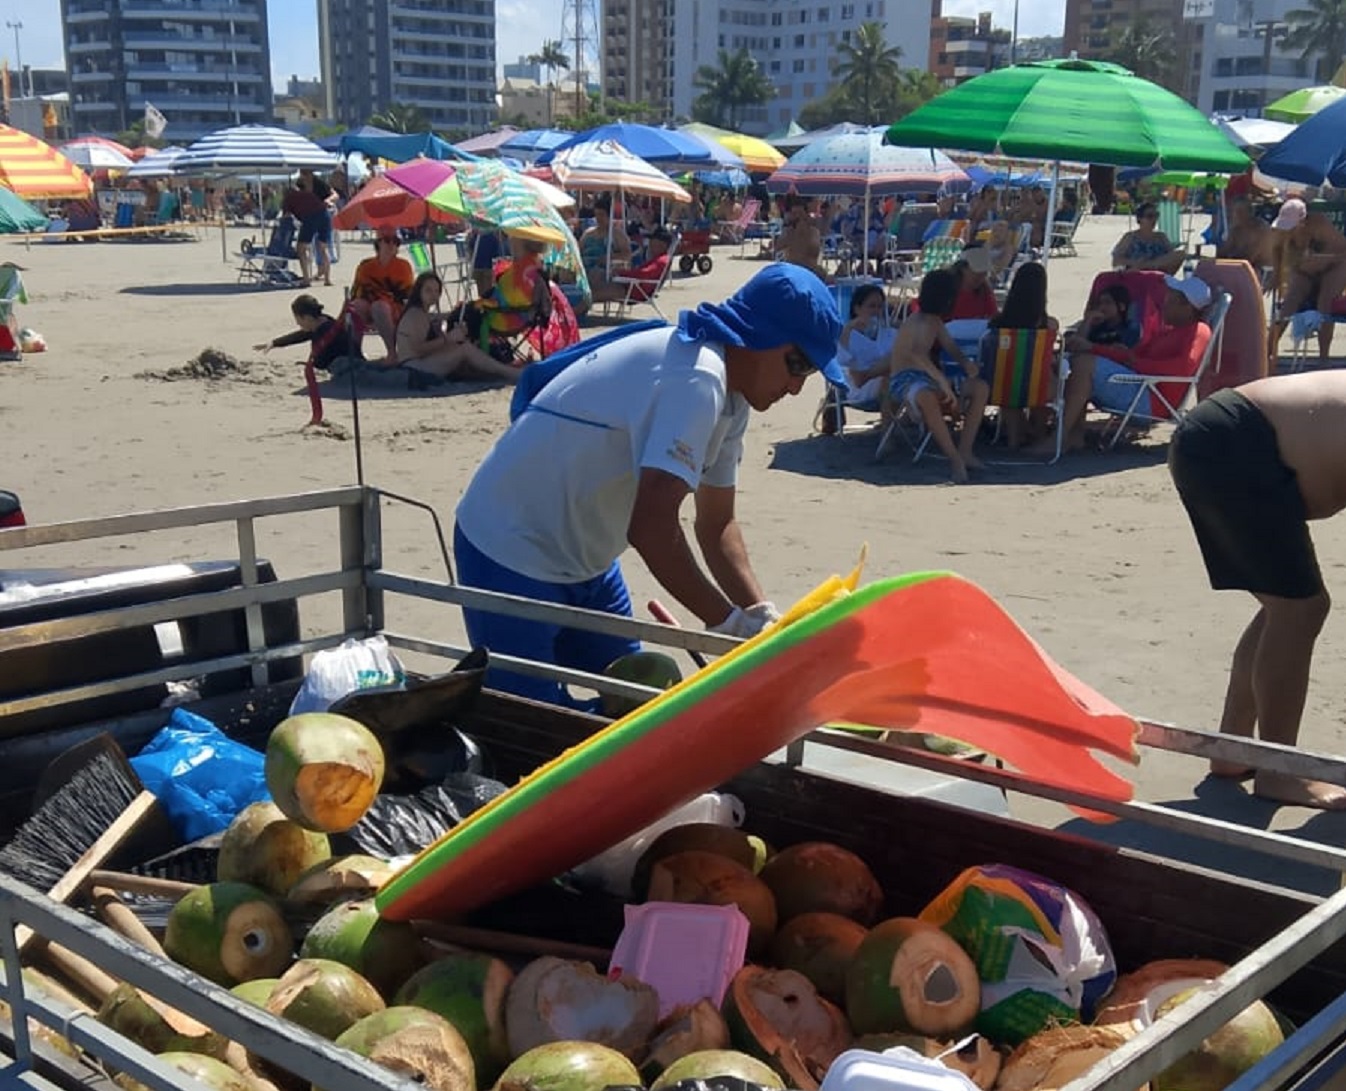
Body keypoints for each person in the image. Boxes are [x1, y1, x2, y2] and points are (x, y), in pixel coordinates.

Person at [452, 264, 845, 707]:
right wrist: (727, 626)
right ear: (756, 334)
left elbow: (716, 525)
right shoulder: (698, 378)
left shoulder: (734, 397)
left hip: (589, 561)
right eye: (796, 363)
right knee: (532, 727)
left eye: (808, 373)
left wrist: (760, 617)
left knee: (635, 703)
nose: (795, 387)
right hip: (509, 550)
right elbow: (652, 530)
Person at [1167, 372, 1346, 810]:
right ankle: (1278, 770)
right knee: (1299, 610)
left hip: (1219, 435)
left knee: (1284, 606)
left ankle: (1232, 750)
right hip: (1236, 443)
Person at [1049, 274, 1212, 452]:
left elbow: (1180, 369)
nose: (1163, 304)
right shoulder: (1170, 331)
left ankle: (1059, 437)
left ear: (1187, 306)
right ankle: (1073, 435)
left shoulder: (1198, 331)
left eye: (1170, 299)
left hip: (1153, 400)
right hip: (1143, 386)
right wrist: (1095, 348)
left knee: (1084, 365)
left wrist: (1137, 362)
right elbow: (1130, 356)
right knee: (1076, 359)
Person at [884, 268, 989, 483]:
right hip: (904, 379)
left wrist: (965, 363)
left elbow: (950, 347)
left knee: (980, 388)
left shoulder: (935, 321)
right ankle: (954, 460)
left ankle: (965, 450)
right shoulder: (919, 321)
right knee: (928, 397)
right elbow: (917, 355)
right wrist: (942, 381)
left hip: (925, 377)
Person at [394, 272, 523, 385]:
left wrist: (448, 335)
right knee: (464, 349)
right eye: (428, 290)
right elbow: (418, 349)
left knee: (462, 345)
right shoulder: (416, 314)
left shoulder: (422, 313)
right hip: (414, 368)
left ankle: (502, 371)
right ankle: (508, 372)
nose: (433, 295)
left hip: (418, 363)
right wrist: (448, 338)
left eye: (436, 291)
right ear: (419, 291)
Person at [989, 262, 1059, 447]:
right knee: (1045, 376)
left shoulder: (998, 324)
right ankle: (1039, 433)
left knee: (1010, 379)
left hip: (1004, 384)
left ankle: (1014, 437)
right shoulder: (1049, 325)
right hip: (1040, 387)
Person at [1270, 197, 1346, 364]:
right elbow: (1276, 250)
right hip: (1304, 268)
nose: (1287, 230)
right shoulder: (1282, 232)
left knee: (1325, 302)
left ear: (1302, 221)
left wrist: (1324, 259)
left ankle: (1323, 358)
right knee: (1290, 302)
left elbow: (1342, 250)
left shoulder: (1320, 224)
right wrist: (1277, 276)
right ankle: (1268, 351)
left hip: (1336, 264)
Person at [349, 231, 415, 366]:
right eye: (387, 240)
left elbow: (405, 294)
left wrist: (383, 297)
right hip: (371, 302)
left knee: (379, 306)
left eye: (395, 242)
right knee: (356, 305)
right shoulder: (366, 266)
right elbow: (359, 290)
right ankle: (355, 351)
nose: (392, 245)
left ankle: (392, 353)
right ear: (378, 243)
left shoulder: (403, 266)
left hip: (394, 306)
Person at [254, 294, 360, 371]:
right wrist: (274, 343)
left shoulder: (326, 331)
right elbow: (299, 336)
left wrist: (310, 365)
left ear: (307, 317)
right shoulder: (323, 321)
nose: (297, 323)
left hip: (353, 368)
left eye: (298, 319)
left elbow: (322, 362)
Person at [836, 283, 895, 405]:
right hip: (860, 388)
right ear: (857, 309)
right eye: (872, 306)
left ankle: (893, 422)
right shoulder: (846, 334)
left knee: (904, 355)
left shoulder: (888, 333)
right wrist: (850, 327)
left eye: (880, 307)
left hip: (888, 381)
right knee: (898, 357)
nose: (876, 311)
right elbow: (840, 364)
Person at [282, 170, 334, 286]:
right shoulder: (308, 194)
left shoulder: (288, 198)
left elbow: (285, 218)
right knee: (323, 248)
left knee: (301, 248)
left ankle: (306, 279)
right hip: (324, 214)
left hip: (310, 217)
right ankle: (327, 279)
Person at [579, 194, 633, 297]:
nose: (598, 218)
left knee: (595, 274)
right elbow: (579, 251)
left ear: (609, 216)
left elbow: (627, 254)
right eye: (596, 215)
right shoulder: (588, 233)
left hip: (604, 270)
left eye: (602, 215)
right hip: (585, 267)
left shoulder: (617, 234)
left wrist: (609, 258)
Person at [1112, 202, 1186, 274]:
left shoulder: (1161, 237)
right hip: (1138, 274)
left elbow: (1171, 256)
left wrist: (1147, 264)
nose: (1154, 219)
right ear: (1140, 219)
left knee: (1181, 254)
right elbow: (1116, 261)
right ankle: (1147, 267)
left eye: (1156, 215)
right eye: (1150, 216)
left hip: (1159, 275)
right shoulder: (1130, 237)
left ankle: (1148, 266)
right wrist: (1134, 262)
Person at [1218, 197, 1275, 272]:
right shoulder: (1236, 228)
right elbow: (1223, 253)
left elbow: (1249, 258)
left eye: (1239, 212)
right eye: (1230, 211)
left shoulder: (1260, 229)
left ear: (1250, 212)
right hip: (1241, 268)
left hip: (1261, 271)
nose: (1232, 215)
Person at [775, 200, 823, 276]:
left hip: (810, 269)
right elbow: (779, 251)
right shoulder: (787, 233)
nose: (798, 216)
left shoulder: (813, 232)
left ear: (806, 214)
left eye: (800, 213)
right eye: (794, 213)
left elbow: (814, 251)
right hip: (792, 268)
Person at [949, 249, 999, 320]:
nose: (981, 276)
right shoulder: (946, 289)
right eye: (977, 271)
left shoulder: (984, 289)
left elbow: (993, 317)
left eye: (984, 273)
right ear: (963, 268)